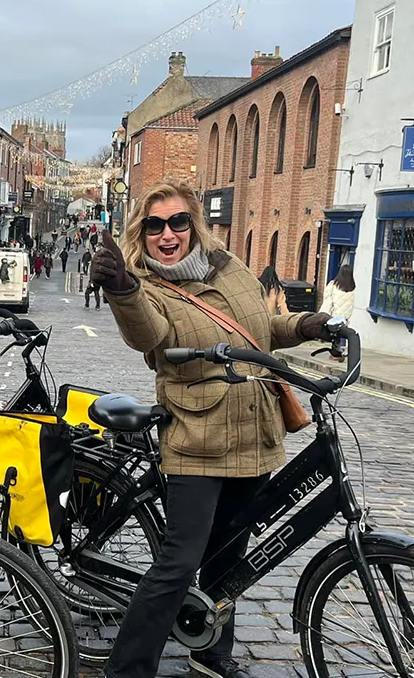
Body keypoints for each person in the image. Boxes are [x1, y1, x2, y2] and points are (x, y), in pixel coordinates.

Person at [89, 179, 331, 678]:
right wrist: (121, 291)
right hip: (196, 438)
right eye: (154, 225)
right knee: (179, 563)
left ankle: (213, 655)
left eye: (178, 221)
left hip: (253, 432)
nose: (167, 234)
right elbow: (148, 337)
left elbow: (262, 328)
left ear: (194, 224)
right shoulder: (146, 286)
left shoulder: (230, 267)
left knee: (229, 554)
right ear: (143, 232)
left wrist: (306, 326)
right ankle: (127, 670)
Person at [318, 264, 356, 362]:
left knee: (335, 336)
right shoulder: (352, 287)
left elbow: (326, 296)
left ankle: (336, 354)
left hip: (335, 315)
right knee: (342, 334)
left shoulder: (334, 285)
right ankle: (341, 351)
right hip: (345, 316)